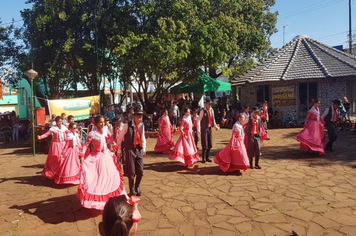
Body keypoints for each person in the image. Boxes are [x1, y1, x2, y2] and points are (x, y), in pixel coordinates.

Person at [78, 115, 126, 210]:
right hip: (96, 156)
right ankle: (99, 198)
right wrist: (82, 155)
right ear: (95, 123)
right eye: (100, 122)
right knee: (98, 178)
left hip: (106, 155)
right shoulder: (92, 133)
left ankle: (112, 197)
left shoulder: (105, 129)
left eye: (103, 121)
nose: (103, 123)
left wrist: (115, 144)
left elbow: (110, 137)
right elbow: (85, 145)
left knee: (110, 175)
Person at [117, 110, 146, 197]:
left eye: (141, 117)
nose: (140, 119)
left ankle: (137, 186)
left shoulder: (141, 125)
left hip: (138, 149)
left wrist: (144, 148)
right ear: (135, 117)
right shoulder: (127, 125)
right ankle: (132, 189)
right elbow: (120, 138)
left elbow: (142, 137)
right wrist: (119, 150)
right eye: (139, 117)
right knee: (131, 171)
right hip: (130, 149)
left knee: (140, 171)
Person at [197, 97, 220, 163]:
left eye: (210, 104)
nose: (209, 105)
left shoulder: (211, 110)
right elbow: (198, 120)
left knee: (210, 143)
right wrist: (199, 129)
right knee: (205, 144)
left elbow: (213, 119)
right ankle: (203, 158)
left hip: (209, 128)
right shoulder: (202, 111)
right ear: (206, 104)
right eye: (208, 104)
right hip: (204, 129)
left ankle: (207, 156)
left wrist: (215, 126)